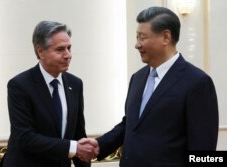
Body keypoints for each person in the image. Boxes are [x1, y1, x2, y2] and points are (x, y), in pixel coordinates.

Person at [80, 6, 219, 166]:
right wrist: (101, 144)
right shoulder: (137, 78)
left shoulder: (197, 82)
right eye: (137, 37)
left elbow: (202, 151)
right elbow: (131, 124)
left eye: (142, 37)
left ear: (166, 37)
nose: (137, 45)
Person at [0, 21, 97, 167]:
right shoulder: (20, 85)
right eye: (60, 50)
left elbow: (78, 135)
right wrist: (72, 148)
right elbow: (25, 137)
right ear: (40, 52)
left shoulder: (75, 84)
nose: (68, 55)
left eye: (69, 48)